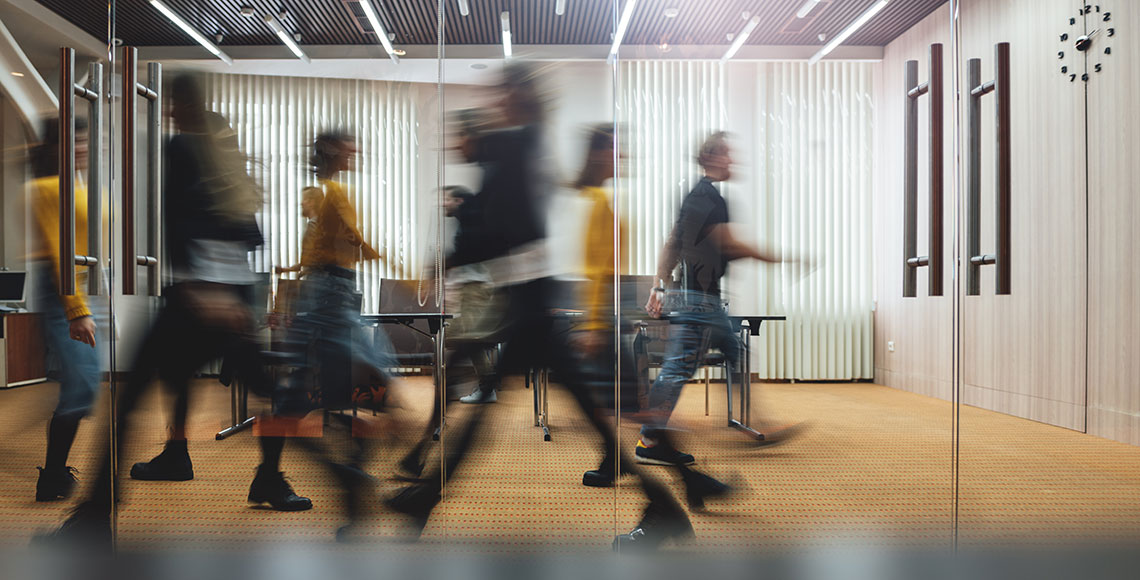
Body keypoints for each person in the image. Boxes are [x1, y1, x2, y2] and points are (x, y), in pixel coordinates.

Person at [39, 74, 292, 547]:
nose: (171, 112)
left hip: (198, 295)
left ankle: (97, 512)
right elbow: (251, 236)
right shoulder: (228, 160)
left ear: (183, 104)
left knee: (133, 396)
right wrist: (243, 296)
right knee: (263, 393)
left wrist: (200, 285)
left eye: (174, 103)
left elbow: (175, 221)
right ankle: (268, 475)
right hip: (232, 293)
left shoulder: (182, 148)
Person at [635, 131, 801, 468]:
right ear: (710, 157)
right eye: (726, 154)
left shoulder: (694, 196)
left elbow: (672, 242)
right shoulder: (710, 198)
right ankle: (649, 440)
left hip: (698, 297)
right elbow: (731, 246)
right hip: (699, 300)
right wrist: (781, 258)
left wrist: (658, 286)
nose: (732, 160)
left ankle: (753, 421)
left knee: (733, 350)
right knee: (677, 369)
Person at [27, 118, 107, 502]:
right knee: (82, 387)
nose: (82, 147)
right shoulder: (46, 188)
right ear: (55, 147)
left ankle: (55, 474)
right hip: (63, 290)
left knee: (84, 386)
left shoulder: (76, 185)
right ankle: (53, 476)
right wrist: (76, 310)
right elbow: (62, 253)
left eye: (85, 140)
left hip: (84, 288)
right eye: (74, 141)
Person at [275, 186, 325, 278]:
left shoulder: (313, 225)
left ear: (311, 203)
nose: (301, 203)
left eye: (304, 199)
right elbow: (309, 261)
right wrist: (286, 270)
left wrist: (304, 272)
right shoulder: (322, 224)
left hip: (317, 281)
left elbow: (314, 262)